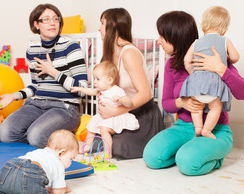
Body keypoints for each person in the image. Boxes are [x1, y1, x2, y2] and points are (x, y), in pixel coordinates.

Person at [143, 11, 244, 176]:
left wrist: (220, 69)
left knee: (188, 164)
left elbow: (242, 93)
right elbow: (167, 102)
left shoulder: (215, 58)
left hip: (216, 130)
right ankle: (189, 150)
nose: (158, 40)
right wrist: (181, 102)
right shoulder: (171, 65)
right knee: (152, 157)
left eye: (162, 36)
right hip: (183, 128)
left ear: (175, 36)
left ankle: (213, 157)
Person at [0, 3, 88, 148]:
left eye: (55, 19)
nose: (52, 23)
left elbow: (82, 88)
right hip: (37, 104)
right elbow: (35, 86)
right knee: (4, 133)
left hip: (64, 108)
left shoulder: (71, 47)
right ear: (36, 24)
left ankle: (64, 140)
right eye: (46, 19)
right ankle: (49, 136)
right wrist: (14, 96)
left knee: (36, 136)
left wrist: (53, 72)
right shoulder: (32, 51)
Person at [96, 8, 163, 159]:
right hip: (123, 114)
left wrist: (116, 112)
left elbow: (146, 94)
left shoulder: (129, 53)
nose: (99, 28)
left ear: (112, 24)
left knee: (119, 146)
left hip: (142, 114)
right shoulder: (109, 53)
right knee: (98, 140)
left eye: (102, 23)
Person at [180, 6, 240, 139]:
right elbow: (235, 57)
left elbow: (186, 60)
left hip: (196, 83)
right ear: (224, 28)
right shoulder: (225, 41)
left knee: (197, 107)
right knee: (215, 108)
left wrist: (193, 74)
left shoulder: (196, 42)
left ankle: (198, 127)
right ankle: (207, 130)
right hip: (214, 85)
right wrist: (227, 57)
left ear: (204, 25)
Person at [71, 61, 139, 158]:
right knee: (91, 125)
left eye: (98, 79)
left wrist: (121, 99)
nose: (94, 81)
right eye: (94, 78)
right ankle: (87, 146)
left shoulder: (116, 90)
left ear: (110, 80)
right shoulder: (101, 91)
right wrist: (80, 89)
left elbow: (129, 103)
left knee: (104, 129)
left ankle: (107, 152)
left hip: (115, 117)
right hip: (103, 117)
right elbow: (90, 91)